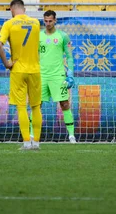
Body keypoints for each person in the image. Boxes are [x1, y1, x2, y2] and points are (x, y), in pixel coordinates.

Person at [0, 0, 43, 151]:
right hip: (35, 69)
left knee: (21, 106)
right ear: (24, 8)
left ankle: (26, 143)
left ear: (11, 9)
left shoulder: (9, 24)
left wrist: (6, 63)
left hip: (18, 69)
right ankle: (36, 142)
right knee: (36, 107)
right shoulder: (36, 23)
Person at [30, 10, 77, 143]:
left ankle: (72, 136)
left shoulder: (63, 36)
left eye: (50, 21)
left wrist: (70, 73)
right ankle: (32, 136)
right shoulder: (38, 36)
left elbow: (69, 57)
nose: (48, 23)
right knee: (36, 105)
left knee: (65, 104)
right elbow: (34, 56)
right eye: (46, 21)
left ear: (55, 20)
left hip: (58, 76)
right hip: (42, 76)